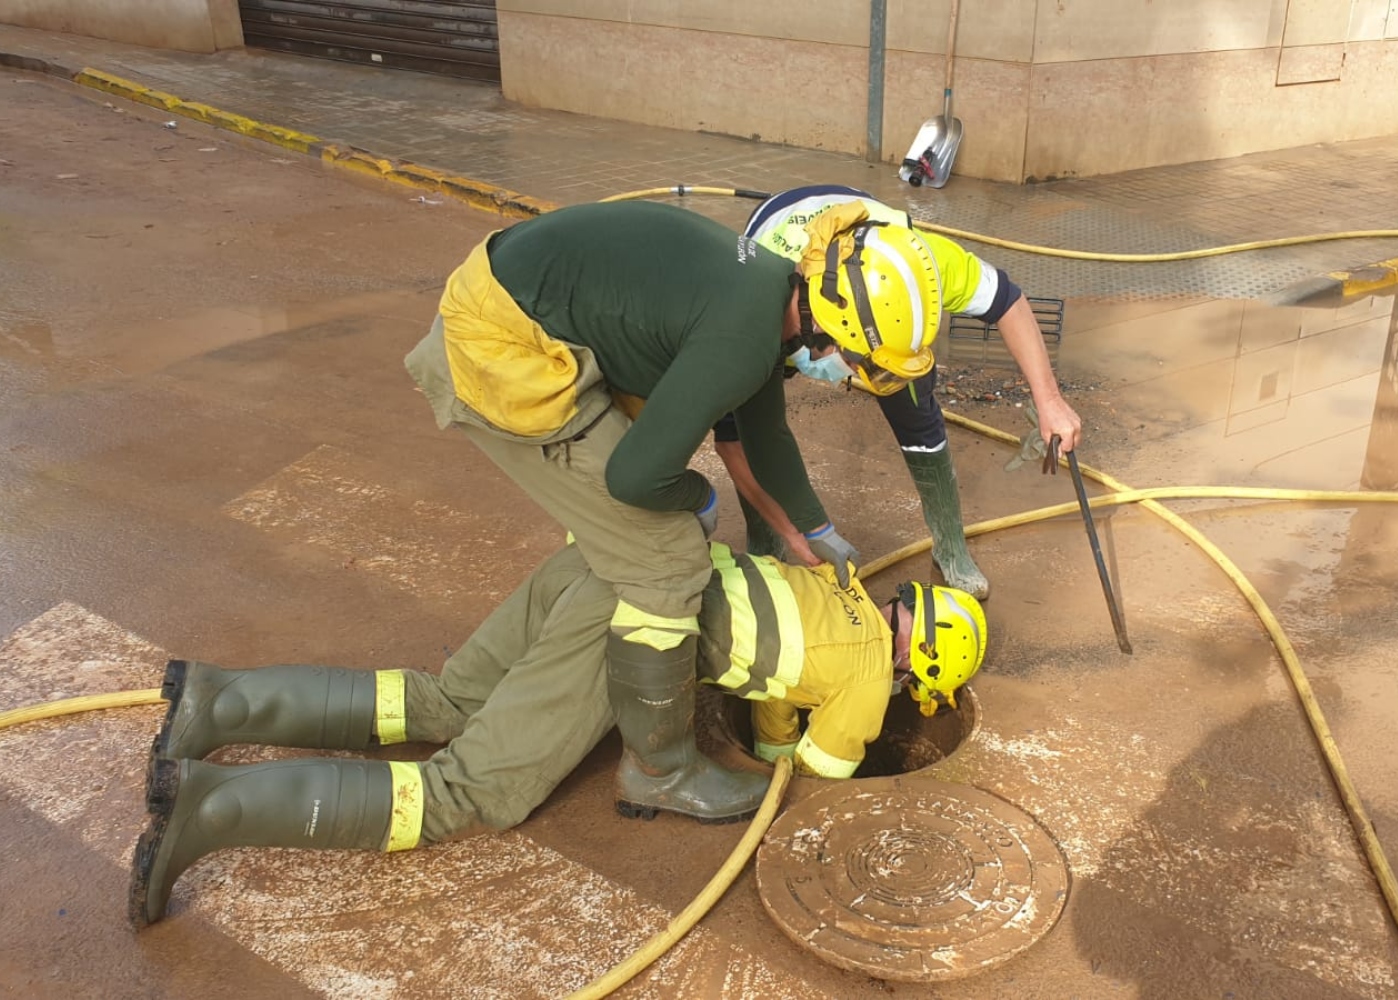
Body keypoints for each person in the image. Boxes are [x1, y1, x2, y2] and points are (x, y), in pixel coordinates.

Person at [129, 540, 988, 927]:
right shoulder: (875, 676)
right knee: (463, 793)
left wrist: (766, 738)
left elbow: (775, 704)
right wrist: (787, 764)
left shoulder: (835, 585)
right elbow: (826, 766)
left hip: (601, 561)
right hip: (635, 614)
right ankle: (206, 808)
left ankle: (217, 704)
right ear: (928, 670)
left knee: (445, 703)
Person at [401, 201, 867, 828]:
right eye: (857, 361)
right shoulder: (744, 337)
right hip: (501, 345)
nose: (846, 375)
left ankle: (446, 699)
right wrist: (698, 498)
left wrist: (812, 531)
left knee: (636, 536)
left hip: (513, 298)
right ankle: (661, 771)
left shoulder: (766, 288)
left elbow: (767, 434)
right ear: (833, 323)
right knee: (669, 554)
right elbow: (635, 477)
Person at [714, 184, 1084, 601]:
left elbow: (1008, 301)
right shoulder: (753, 310)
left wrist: (1049, 400)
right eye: (860, 364)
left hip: (857, 273)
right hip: (782, 264)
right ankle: (765, 542)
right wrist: (790, 528)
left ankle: (951, 547)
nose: (854, 377)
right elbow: (732, 441)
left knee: (915, 408)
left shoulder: (918, 265)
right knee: (750, 422)